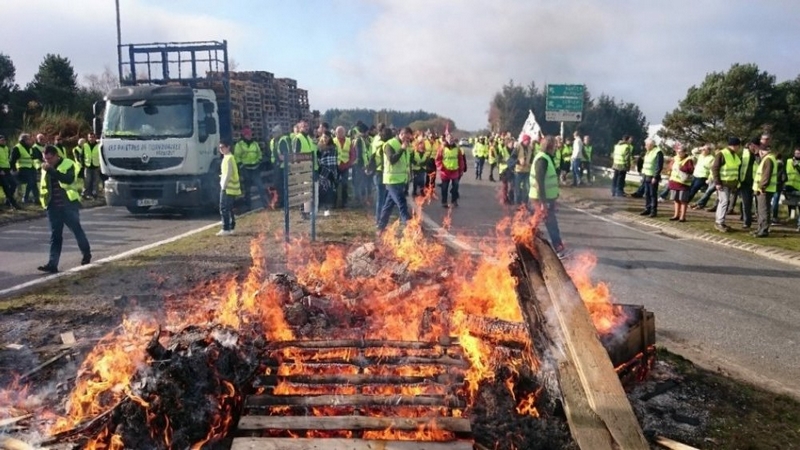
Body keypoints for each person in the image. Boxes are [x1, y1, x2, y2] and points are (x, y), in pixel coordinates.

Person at [37, 145, 91, 273]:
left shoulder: (68, 164)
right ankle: (52, 264)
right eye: (45, 159)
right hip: (52, 206)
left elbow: (68, 179)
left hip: (68, 205)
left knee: (77, 230)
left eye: (50, 158)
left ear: (56, 156)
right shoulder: (46, 167)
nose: (47, 161)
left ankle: (86, 254)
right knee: (55, 236)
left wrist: (52, 171)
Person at [529, 135, 567, 258]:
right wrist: (543, 203)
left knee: (537, 222)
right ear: (550, 146)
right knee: (550, 223)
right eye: (555, 145)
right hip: (540, 198)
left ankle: (525, 243)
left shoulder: (546, 158)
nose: (556, 147)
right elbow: (540, 182)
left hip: (544, 198)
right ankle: (558, 248)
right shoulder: (542, 159)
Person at [376, 127, 412, 234]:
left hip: (401, 180)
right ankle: (410, 225)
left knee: (388, 205)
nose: (407, 140)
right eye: (406, 137)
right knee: (401, 203)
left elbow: (406, 164)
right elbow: (392, 160)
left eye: (409, 138)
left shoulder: (406, 147)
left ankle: (380, 227)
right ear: (401, 134)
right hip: (391, 180)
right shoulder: (389, 144)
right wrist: (402, 149)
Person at [710, 138, 742, 232]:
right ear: (736, 145)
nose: (739, 148)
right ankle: (719, 222)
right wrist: (717, 183)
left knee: (723, 202)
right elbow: (715, 168)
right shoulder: (722, 154)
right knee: (724, 202)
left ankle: (720, 221)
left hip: (729, 183)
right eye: (739, 146)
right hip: (723, 183)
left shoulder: (734, 155)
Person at [234, 127, 268, 211]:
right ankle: (248, 206)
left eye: (250, 134)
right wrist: (241, 166)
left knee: (260, 186)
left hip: (255, 168)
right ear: (244, 135)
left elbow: (259, 153)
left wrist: (259, 161)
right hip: (246, 168)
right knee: (247, 189)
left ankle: (265, 203)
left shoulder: (255, 143)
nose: (249, 136)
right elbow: (237, 156)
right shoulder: (239, 144)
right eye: (247, 134)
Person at [752, 143, 778, 238]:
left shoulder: (768, 160)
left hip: (764, 190)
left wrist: (762, 187)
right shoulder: (769, 158)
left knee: (763, 210)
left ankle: (763, 230)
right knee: (761, 210)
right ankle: (760, 229)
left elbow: (766, 176)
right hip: (764, 189)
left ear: (761, 151)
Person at [217, 140, 240, 236]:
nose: (221, 149)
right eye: (220, 148)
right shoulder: (228, 157)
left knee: (224, 208)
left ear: (228, 147)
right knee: (229, 208)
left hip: (228, 188)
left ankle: (226, 228)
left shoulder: (229, 158)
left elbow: (228, 173)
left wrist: (224, 185)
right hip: (231, 187)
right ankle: (231, 227)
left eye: (223, 147)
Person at [666, 143, 694, 222]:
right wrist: (669, 170)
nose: (679, 153)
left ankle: (682, 217)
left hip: (683, 184)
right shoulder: (674, 158)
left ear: (685, 152)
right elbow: (669, 167)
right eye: (677, 152)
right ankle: (676, 215)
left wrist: (680, 168)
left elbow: (690, 170)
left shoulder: (688, 160)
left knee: (683, 200)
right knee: (676, 200)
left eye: (681, 152)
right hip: (674, 182)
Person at [436, 136, 466, 207]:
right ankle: (444, 202)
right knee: (444, 188)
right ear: (446, 140)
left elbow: (460, 160)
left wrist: (461, 169)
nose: (451, 140)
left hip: (454, 171)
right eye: (449, 139)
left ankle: (454, 201)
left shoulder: (457, 149)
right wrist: (441, 168)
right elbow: (438, 159)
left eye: (452, 139)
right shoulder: (442, 148)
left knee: (455, 186)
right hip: (445, 172)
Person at [10, 133, 39, 204]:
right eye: (29, 139)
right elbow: (12, 160)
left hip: (31, 167)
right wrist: (14, 170)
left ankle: (36, 199)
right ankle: (25, 197)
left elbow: (35, 155)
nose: (30, 141)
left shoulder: (30, 147)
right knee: (31, 182)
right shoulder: (17, 148)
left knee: (34, 183)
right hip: (22, 168)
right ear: (24, 140)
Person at [639, 138, 663, 217]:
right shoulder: (648, 152)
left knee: (653, 194)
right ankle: (647, 209)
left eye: (646, 145)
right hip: (646, 175)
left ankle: (653, 211)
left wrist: (655, 177)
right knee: (647, 193)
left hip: (652, 176)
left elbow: (658, 166)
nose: (645, 146)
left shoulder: (658, 152)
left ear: (651, 145)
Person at [317, 131, 338, 213]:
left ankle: (329, 207)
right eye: (324, 137)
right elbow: (318, 160)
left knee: (330, 190)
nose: (325, 139)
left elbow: (334, 159)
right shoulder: (319, 148)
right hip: (323, 171)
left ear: (330, 138)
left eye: (327, 137)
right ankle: (324, 207)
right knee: (323, 190)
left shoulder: (333, 147)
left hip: (332, 171)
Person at [0, 135, 21, 210]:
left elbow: (7, 159)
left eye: (4, 140)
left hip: (7, 170)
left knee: (14, 184)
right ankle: (13, 203)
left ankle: (8, 201)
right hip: (1, 171)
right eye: (2, 140)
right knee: (6, 187)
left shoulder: (6, 148)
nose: (3, 141)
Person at [82, 133, 102, 198]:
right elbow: (82, 155)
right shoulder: (85, 145)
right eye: (90, 137)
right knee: (87, 181)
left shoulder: (98, 145)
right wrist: (83, 164)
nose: (91, 138)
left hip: (96, 165)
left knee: (96, 181)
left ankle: (95, 194)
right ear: (88, 138)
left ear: (95, 138)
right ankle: (85, 193)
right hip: (87, 166)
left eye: (93, 137)